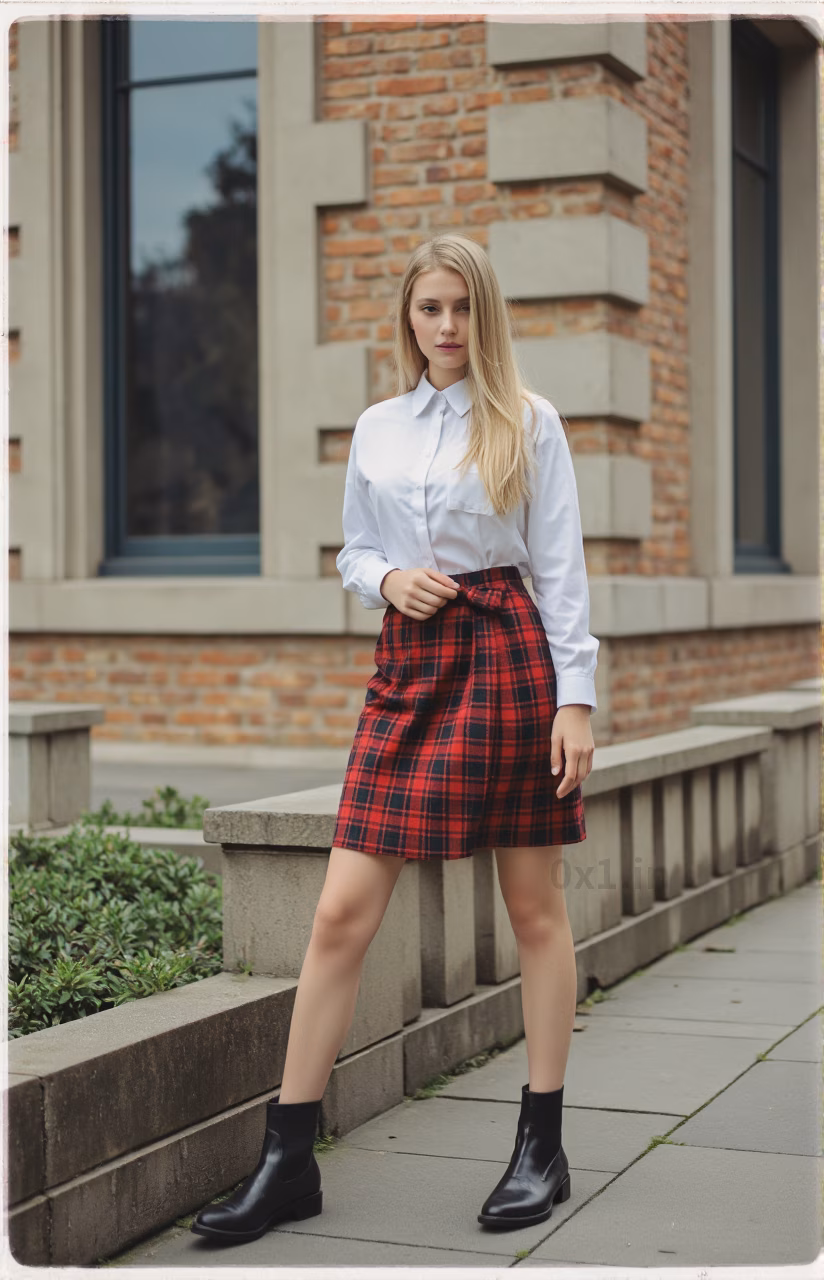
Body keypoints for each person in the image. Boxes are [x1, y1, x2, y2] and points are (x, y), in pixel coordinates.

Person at [192, 233, 598, 1244]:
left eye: (462, 307)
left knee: (532, 908)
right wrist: (384, 579)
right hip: (409, 669)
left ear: (483, 311)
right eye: (429, 309)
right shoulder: (376, 427)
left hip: (508, 659)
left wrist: (575, 698)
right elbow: (354, 547)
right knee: (338, 914)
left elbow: (559, 569)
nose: (447, 327)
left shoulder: (528, 420)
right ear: (406, 316)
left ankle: (539, 1144)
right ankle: (287, 1156)